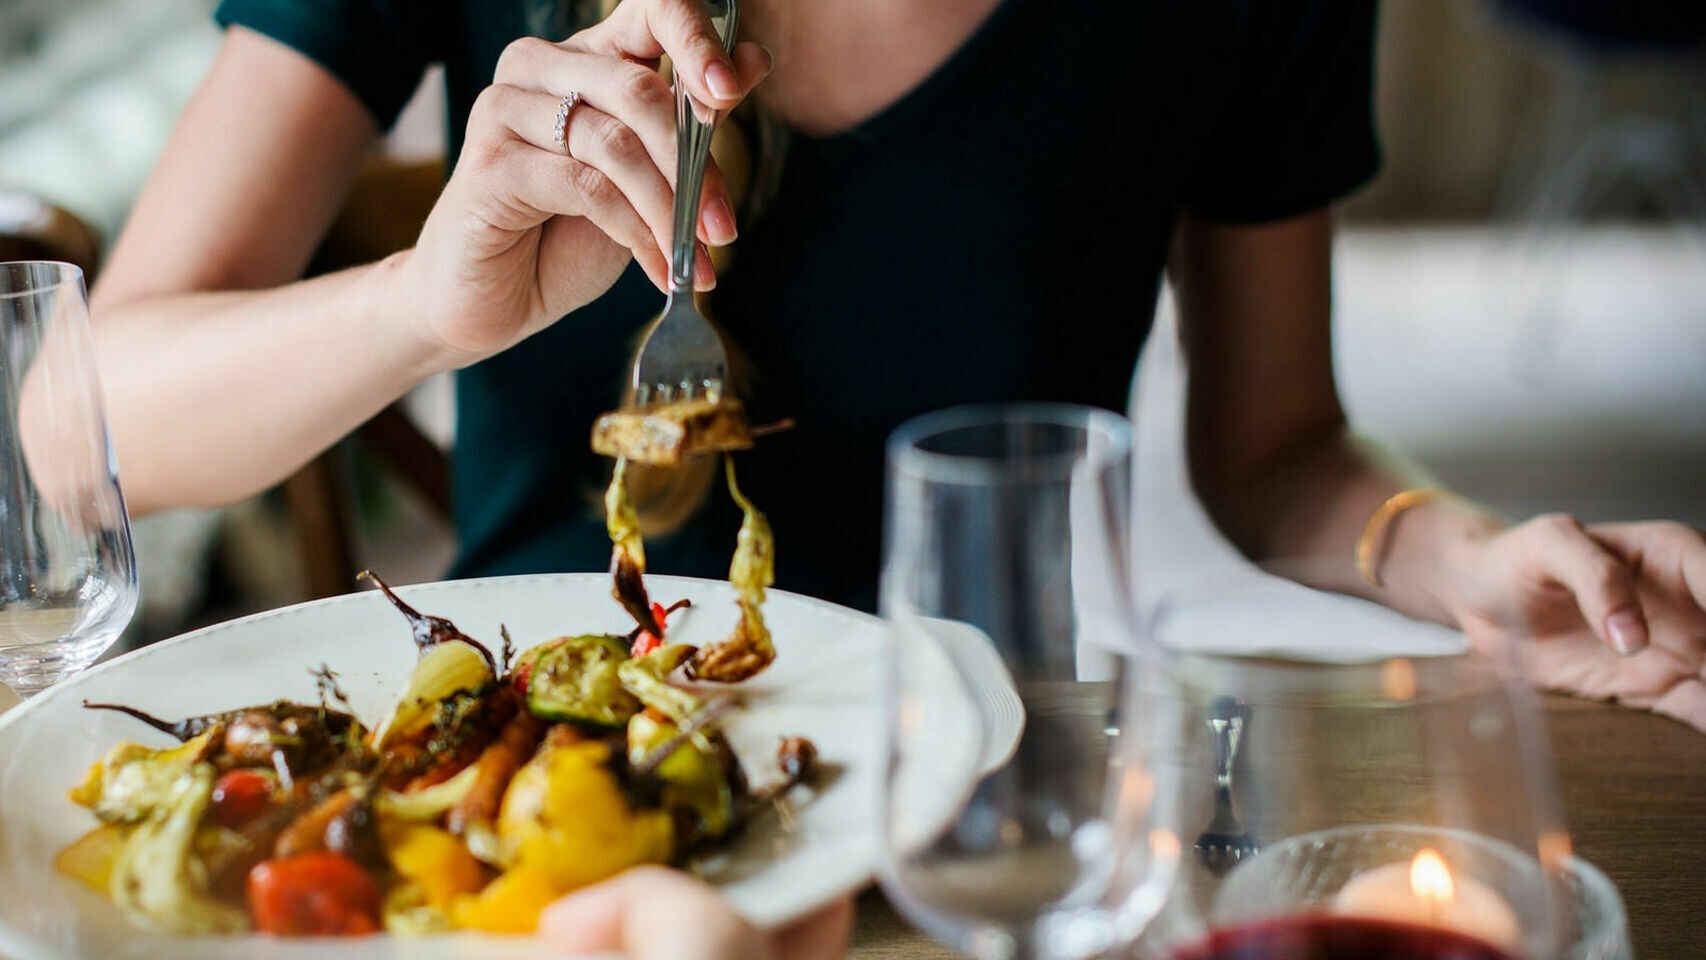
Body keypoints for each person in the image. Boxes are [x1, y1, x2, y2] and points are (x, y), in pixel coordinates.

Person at [80, 0, 1706, 948]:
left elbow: (1278, 452)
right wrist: (424, 306)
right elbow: (82, 437)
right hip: (528, 862)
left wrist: (1461, 557)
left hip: (991, 841)